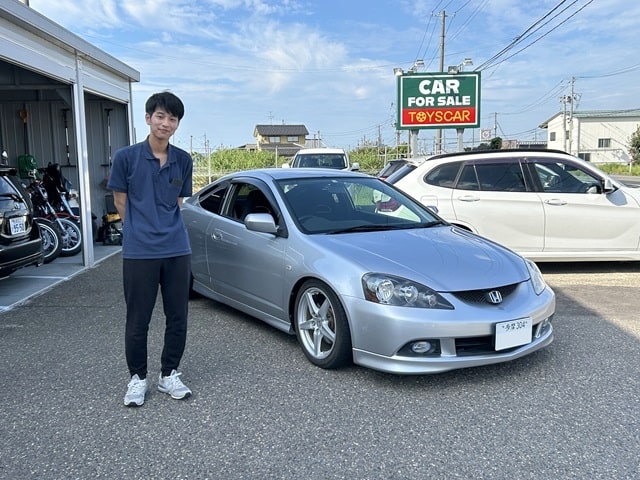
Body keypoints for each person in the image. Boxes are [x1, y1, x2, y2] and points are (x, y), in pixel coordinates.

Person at [107, 91, 193, 407]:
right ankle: (137, 379)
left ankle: (168, 374)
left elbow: (178, 202)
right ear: (147, 118)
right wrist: (140, 229)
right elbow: (120, 201)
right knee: (138, 318)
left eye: (172, 118)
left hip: (176, 248)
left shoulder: (183, 160)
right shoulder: (126, 158)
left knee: (178, 316)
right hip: (139, 250)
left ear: (177, 124)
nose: (165, 123)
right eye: (160, 116)